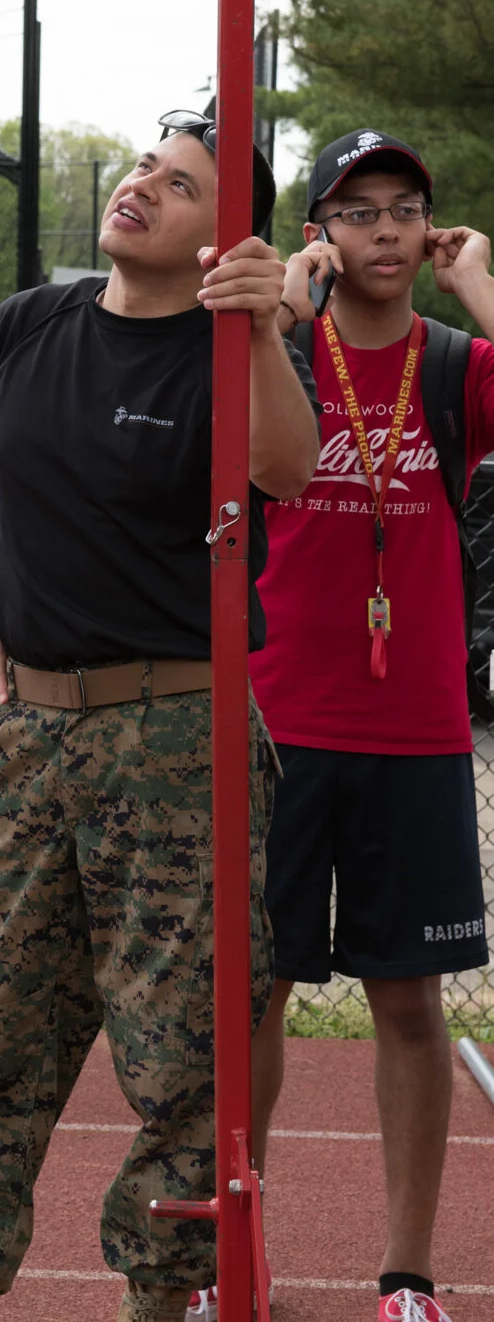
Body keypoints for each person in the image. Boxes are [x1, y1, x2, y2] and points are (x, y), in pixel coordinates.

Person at [0, 112, 321, 1322]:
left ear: (219, 236)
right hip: (35, 737)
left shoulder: (228, 348)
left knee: (186, 1058)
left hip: (177, 739)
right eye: (144, 165)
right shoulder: (32, 323)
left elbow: (287, 472)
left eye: (179, 185)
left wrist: (258, 329)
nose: (141, 186)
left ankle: (161, 1295)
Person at [235, 130, 494, 1322]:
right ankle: (234, 1256)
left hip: (418, 730)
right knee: (258, 991)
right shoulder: (275, 351)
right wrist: (272, 326)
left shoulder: (455, 362)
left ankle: (405, 1278)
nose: (385, 229)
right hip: (281, 723)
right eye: (358, 211)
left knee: (406, 999)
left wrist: (480, 288)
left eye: (405, 209)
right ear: (319, 237)